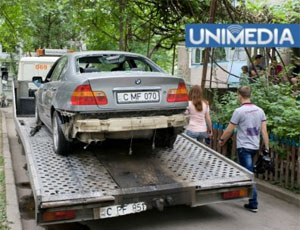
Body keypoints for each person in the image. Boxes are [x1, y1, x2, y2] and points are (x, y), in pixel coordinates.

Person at [218, 86, 269, 213]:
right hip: (254, 147)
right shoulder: (260, 110)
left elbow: (229, 129)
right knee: (247, 172)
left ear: (239, 95)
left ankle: (254, 203)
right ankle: (243, 194)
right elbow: (264, 131)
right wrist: (267, 148)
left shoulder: (239, 111)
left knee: (248, 175)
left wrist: (221, 140)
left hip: (243, 147)